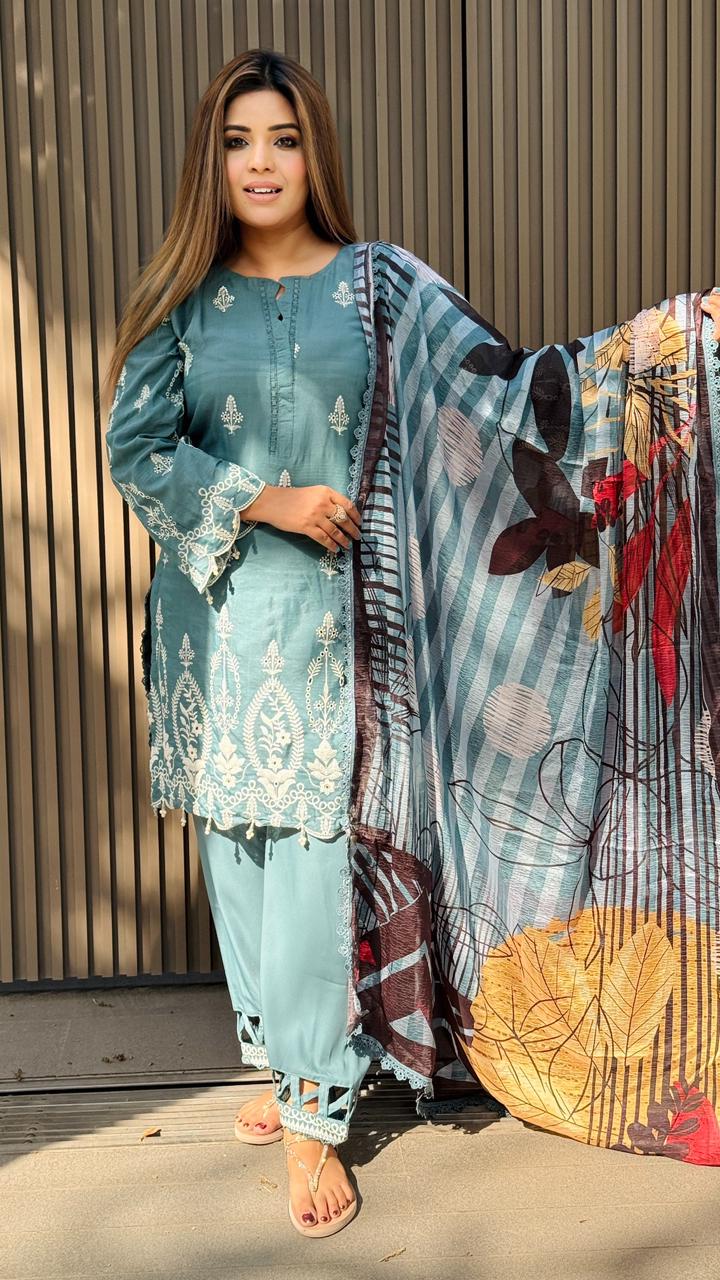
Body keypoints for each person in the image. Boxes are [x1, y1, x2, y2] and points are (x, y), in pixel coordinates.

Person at [104, 46, 720, 1239]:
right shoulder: (184, 297)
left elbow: (507, 385)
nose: (262, 163)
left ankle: (314, 1109)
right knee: (240, 848)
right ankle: (286, 1052)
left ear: (314, 155)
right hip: (219, 625)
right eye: (238, 141)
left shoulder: (380, 285)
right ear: (211, 163)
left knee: (314, 854)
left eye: (283, 139)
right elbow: (138, 449)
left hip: (342, 631)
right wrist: (265, 499)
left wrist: (671, 341)